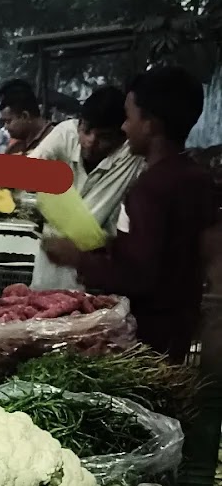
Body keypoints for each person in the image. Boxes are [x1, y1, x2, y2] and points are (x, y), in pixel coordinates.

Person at [45, 65, 218, 360]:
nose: (124, 128)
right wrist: (105, 247)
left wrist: (77, 258)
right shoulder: (197, 177)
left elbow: (137, 276)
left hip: (147, 338)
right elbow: (167, 252)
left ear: (150, 125)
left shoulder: (150, 188)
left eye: (128, 117)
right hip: (180, 327)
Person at [28, 85, 143, 289]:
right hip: (51, 262)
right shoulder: (66, 133)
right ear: (79, 123)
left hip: (97, 270)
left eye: (104, 137)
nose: (91, 142)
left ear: (121, 137)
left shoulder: (131, 155)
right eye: (86, 130)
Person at [0, 80, 50, 154]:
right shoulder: (16, 148)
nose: (5, 127)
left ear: (25, 116)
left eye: (8, 121)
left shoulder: (56, 140)